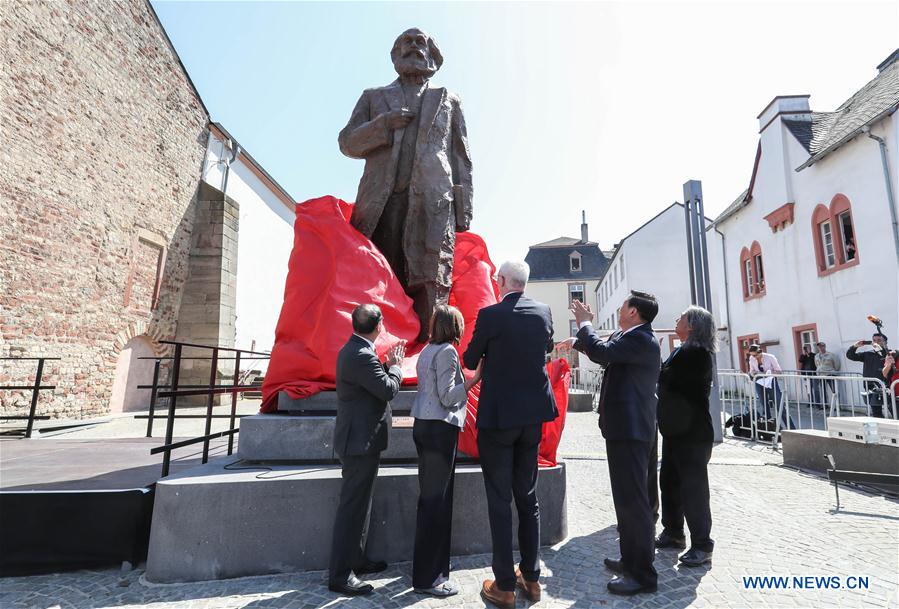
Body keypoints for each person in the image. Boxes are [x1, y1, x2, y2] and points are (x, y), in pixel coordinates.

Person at [339, 28, 473, 342]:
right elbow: (347, 143)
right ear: (395, 55)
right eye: (406, 42)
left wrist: (463, 211)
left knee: (431, 278)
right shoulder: (374, 97)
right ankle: (375, 353)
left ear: (434, 57)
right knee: (377, 277)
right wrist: (382, 124)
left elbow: (460, 157)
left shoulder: (449, 99)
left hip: (433, 202)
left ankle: (433, 355)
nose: (413, 46)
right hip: (381, 203)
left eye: (420, 42)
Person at [462, 260, 558, 609]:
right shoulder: (544, 311)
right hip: (532, 416)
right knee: (527, 497)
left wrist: (489, 355)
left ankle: (503, 585)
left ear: (501, 281)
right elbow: (544, 350)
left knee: (500, 500)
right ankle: (531, 579)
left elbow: (471, 360)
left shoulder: (490, 315)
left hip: (499, 417)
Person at [568, 291, 661, 596]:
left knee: (634, 504)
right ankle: (631, 560)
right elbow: (604, 350)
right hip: (629, 430)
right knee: (628, 502)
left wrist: (583, 323)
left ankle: (642, 575)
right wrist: (580, 337)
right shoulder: (634, 337)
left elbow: (604, 352)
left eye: (623, 305)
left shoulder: (640, 339)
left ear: (633, 312)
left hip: (631, 433)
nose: (620, 309)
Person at [328, 304, 406, 596]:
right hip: (359, 443)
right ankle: (340, 575)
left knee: (361, 506)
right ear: (379, 326)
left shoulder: (356, 350)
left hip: (361, 441)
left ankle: (355, 560)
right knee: (352, 509)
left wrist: (385, 367)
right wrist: (396, 366)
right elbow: (386, 389)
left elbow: (371, 385)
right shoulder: (361, 354)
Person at [410, 305, 482, 597]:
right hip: (440, 430)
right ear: (455, 327)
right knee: (437, 504)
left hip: (423, 426)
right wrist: (474, 379)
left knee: (429, 499)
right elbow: (447, 396)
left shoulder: (427, 350)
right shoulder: (448, 352)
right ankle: (430, 578)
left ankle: (426, 571)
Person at [657, 306, 716, 568]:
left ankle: (702, 545)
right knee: (669, 482)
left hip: (692, 434)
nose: (676, 319)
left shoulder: (698, 353)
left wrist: (653, 365)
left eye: (680, 317)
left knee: (693, 491)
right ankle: (673, 532)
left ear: (691, 325)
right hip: (675, 431)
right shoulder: (682, 349)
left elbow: (671, 381)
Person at [847, 333, 893, 418]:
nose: (876, 342)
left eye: (879, 340)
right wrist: (855, 346)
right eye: (874, 340)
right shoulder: (868, 354)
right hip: (872, 386)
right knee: (876, 413)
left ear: (885, 342)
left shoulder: (890, 354)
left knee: (894, 410)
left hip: (887, 386)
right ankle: (881, 430)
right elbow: (850, 356)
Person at [747, 345, 793, 429]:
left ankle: (791, 429)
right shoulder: (751, 358)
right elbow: (751, 371)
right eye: (751, 355)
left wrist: (768, 372)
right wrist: (753, 373)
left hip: (770, 381)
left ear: (759, 352)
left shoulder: (770, 357)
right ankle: (769, 429)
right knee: (764, 405)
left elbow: (779, 371)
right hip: (759, 382)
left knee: (780, 405)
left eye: (754, 355)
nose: (753, 357)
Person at [814, 342, 841, 407]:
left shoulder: (831, 355)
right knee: (823, 391)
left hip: (830, 374)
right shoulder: (816, 356)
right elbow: (817, 364)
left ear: (824, 346)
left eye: (821, 346)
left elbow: (837, 365)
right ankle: (825, 405)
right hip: (821, 375)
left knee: (834, 390)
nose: (820, 348)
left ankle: (837, 405)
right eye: (819, 347)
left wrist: (832, 371)